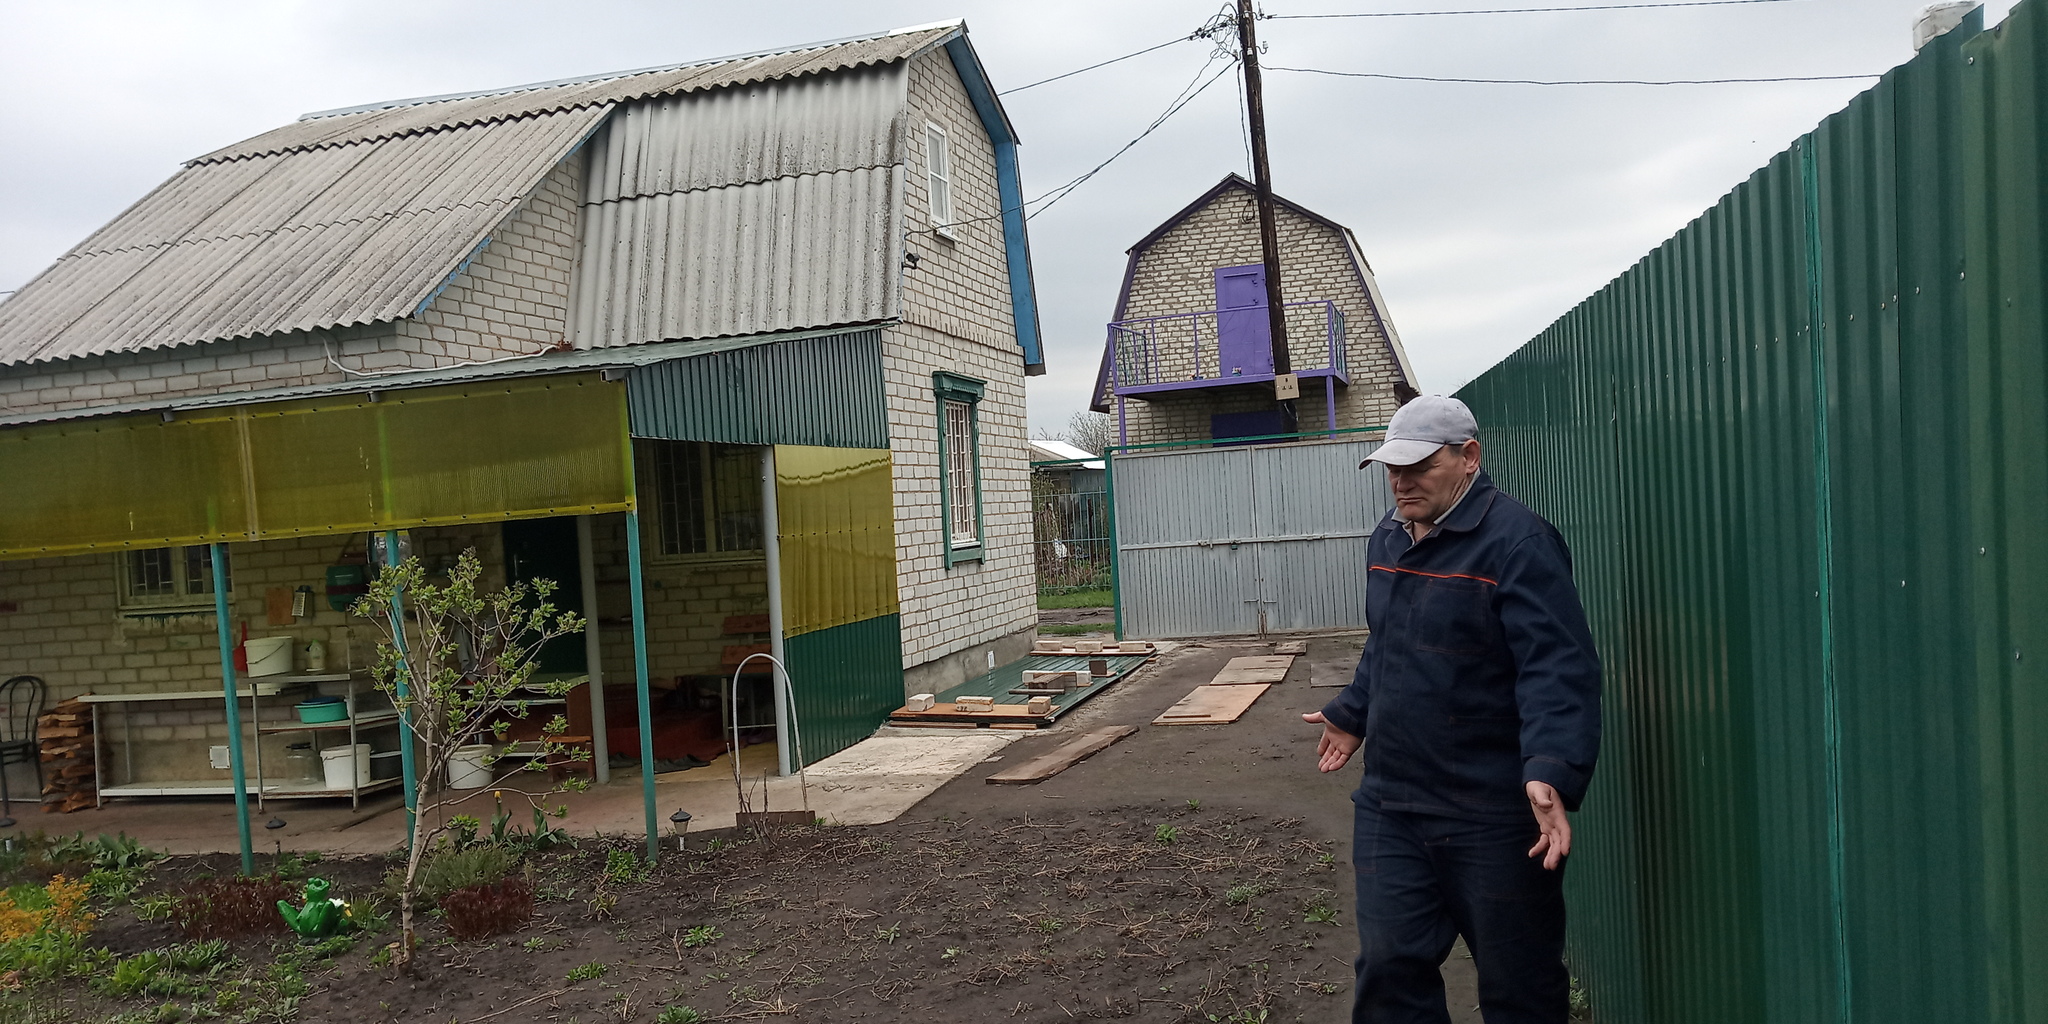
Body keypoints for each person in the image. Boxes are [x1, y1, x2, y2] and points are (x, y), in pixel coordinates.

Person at [1303, 395, 1601, 1024]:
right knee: (1389, 969)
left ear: (1469, 458)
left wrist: (1551, 765)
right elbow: (1388, 645)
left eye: (1419, 466)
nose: (1401, 480)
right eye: (1391, 467)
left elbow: (1557, 667)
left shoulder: (1517, 543)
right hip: (1393, 804)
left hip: (1490, 815)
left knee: (1519, 985)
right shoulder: (1388, 536)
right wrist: (1354, 711)